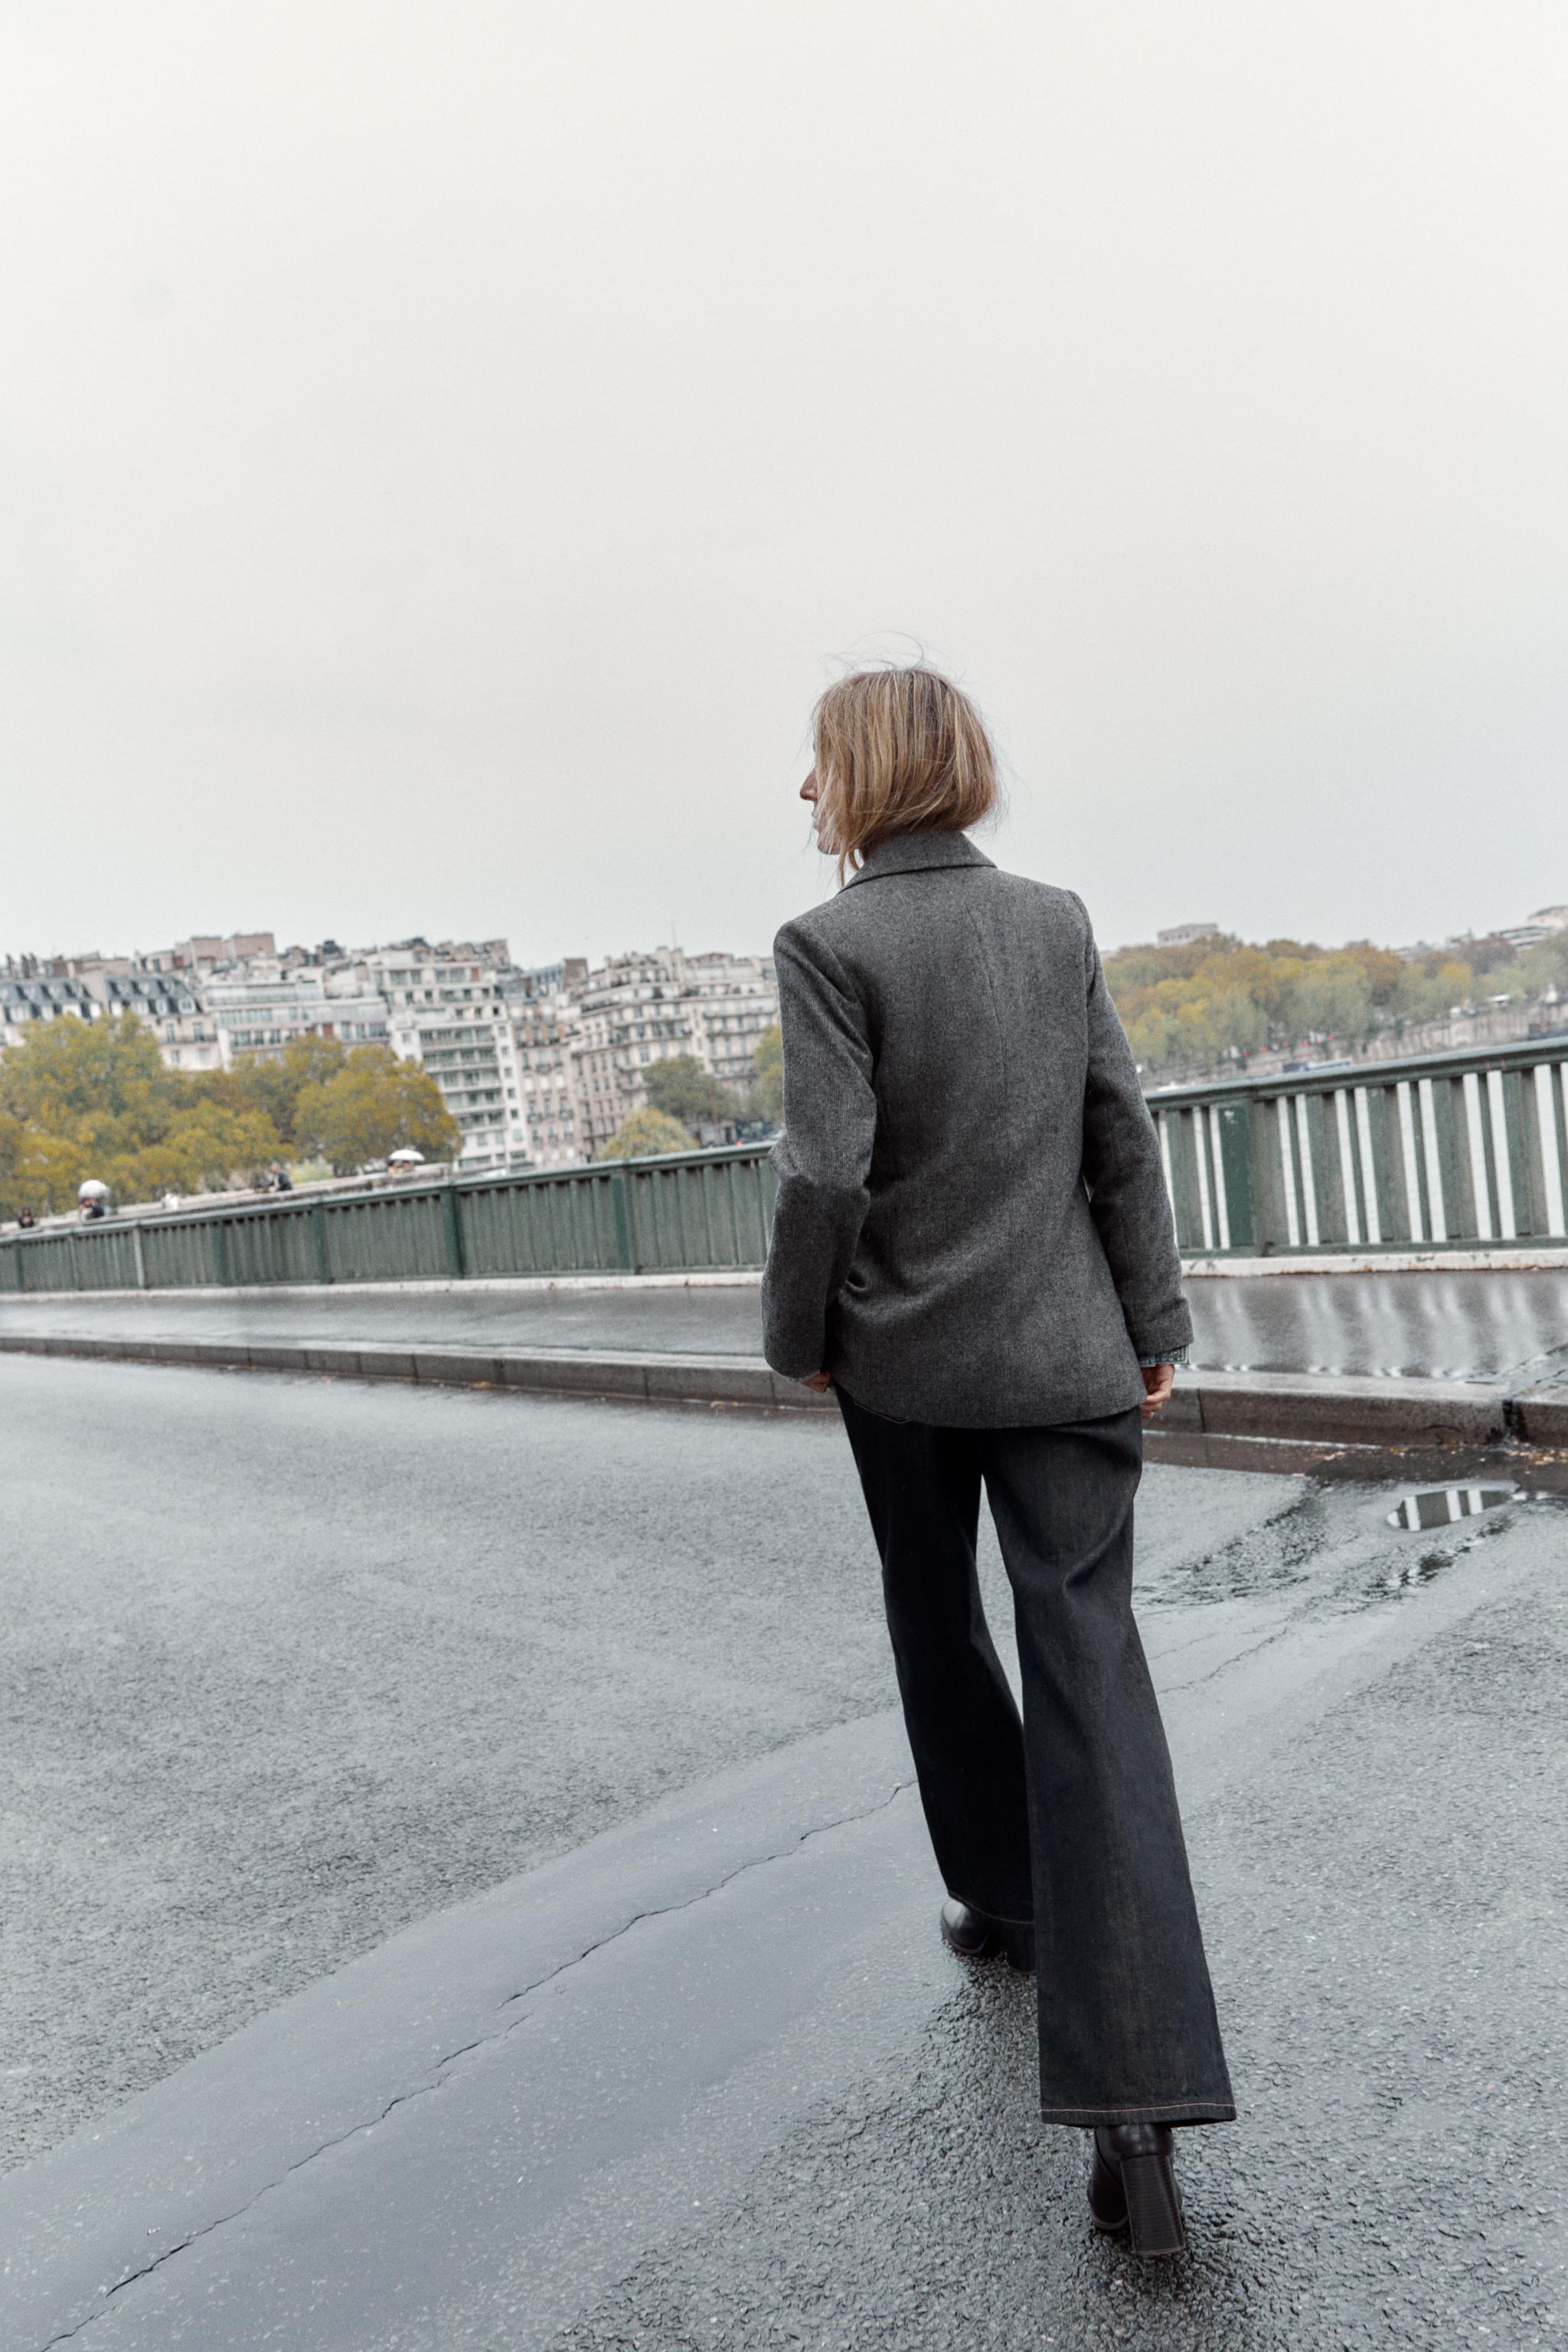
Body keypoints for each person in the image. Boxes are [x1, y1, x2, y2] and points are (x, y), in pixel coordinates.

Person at [760, 665, 1233, 2259]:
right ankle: (1138, 2118)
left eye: (816, 767)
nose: (805, 794)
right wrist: (1152, 1319)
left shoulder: (827, 946)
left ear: (865, 775)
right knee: (1093, 1675)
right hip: (1069, 1355)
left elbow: (824, 1175)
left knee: (933, 1617)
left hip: (903, 1364)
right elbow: (1119, 1133)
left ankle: (1006, 1895)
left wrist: (797, 1333)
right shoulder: (1054, 920)